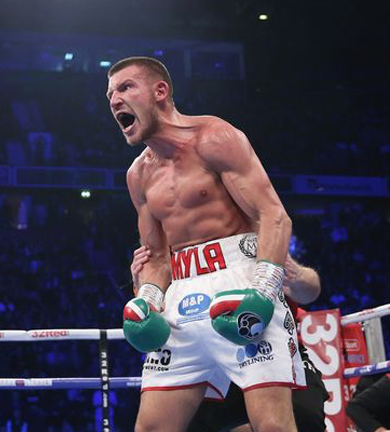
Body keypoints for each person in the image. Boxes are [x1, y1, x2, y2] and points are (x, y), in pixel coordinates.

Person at [109, 56, 305, 432]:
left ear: (160, 91)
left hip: (242, 280)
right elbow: (156, 257)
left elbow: (273, 216)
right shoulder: (138, 175)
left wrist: (263, 290)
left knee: (272, 426)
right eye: (110, 94)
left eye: (125, 87)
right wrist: (148, 298)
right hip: (181, 297)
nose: (114, 100)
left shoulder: (213, 137)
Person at [131, 246, 329, 431]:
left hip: (271, 348)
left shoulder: (249, 240)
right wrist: (144, 287)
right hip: (205, 360)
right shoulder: (171, 257)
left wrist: (296, 273)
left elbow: (311, 291)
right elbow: (151, 321)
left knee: (304, 417)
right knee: (176, 420)